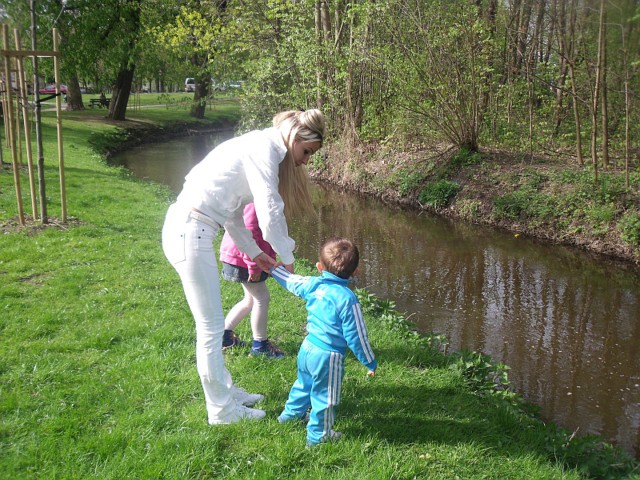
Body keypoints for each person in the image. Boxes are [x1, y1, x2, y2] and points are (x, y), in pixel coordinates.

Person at [162, 109, 324, 425]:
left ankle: (226, 393)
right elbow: (269, 209)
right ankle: (222, 412)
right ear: (295, 137)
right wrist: (286, 256)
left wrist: (254, 252)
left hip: (192, 227)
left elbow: (234, 214)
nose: (305, 161)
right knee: (209, 329)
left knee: (209, 326)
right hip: (189, 229)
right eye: (307, 152)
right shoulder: (264, 148)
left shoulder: (261, 145)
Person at [270, 237, 377, 446]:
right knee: (325, 397)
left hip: (308, 347)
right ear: (356, 272)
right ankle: (319, 435)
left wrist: (275, 270)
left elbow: (292, 281)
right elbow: (357, 336)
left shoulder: (313, 284)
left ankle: (290, 415)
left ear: (319, 267)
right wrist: (369, 361)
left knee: (303, 384)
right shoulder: (347, 299)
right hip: (329, 356)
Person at [219, 202, 284, 358]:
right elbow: (249, 231)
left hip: (238, 257)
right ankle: (260, 346)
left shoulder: (256, 197)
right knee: (262, 298)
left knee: (250, 300)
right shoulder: (255, 202)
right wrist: (253, 265)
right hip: (244, 258)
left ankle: (224, 337)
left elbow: (268, 233)